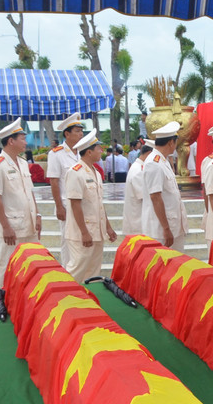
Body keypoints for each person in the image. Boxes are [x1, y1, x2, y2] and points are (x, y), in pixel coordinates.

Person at [0, 119, 41, 288]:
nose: (26, 142)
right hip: (11, 226)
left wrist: (37, 215)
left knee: (31, 263)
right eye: (22, 138)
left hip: (28, 223)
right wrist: (5, 227)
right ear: (11, 141)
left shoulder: (24, 163)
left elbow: (29, 192)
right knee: (6, 264)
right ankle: (0, 298)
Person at [64, 130, 117, 282]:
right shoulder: (75, 172)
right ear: (88, 152)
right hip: (82, 232)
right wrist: (84, 232)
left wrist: (107, 227)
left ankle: (87, 301)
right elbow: (75, 204)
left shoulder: (96, 173)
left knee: (93, 272)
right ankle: (64, 299)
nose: (101, 151)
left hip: (97, 231)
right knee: (77, 269)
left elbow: (99, 204)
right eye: (98, 148)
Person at [142, 121, 188, 249]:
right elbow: (155, 197)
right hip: (161, 230)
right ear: (170, 143)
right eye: (175, 142)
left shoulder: (163, 160)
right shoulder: (154, 163)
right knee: (164, 267)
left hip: (172, 226)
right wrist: (166, 228)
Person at [47, 113, 84, 266]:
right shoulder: (56, 154)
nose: (81, 134)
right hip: (67, 205)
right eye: (77, 131)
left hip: (82, 204)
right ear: (67, 134)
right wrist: (59, 207)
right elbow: (54, 181)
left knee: (82, 240)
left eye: (81, 130)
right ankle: (68, 272)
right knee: (68, 240)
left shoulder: (83, 152)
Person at [123, 142, 153, 235]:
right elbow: (145, 197)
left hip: (139, 220)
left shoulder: (139, 167)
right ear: (149, 154)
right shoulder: (139, 171)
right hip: (138, 222)